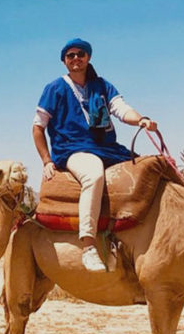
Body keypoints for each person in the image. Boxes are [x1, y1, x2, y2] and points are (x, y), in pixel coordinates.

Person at [33, 38, 158, 273]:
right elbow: (38, 127)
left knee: (148, 169)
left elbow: (121, 110)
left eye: (80, 54)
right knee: (93, 175)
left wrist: (141, 119)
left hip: (107, 148)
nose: (75, 58)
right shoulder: (55, 88)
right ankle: (88, 245)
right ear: (64, 61)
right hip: (73, 149)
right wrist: (47, 160)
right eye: (70, 55)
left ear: (88, 57)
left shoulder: (101, 86)